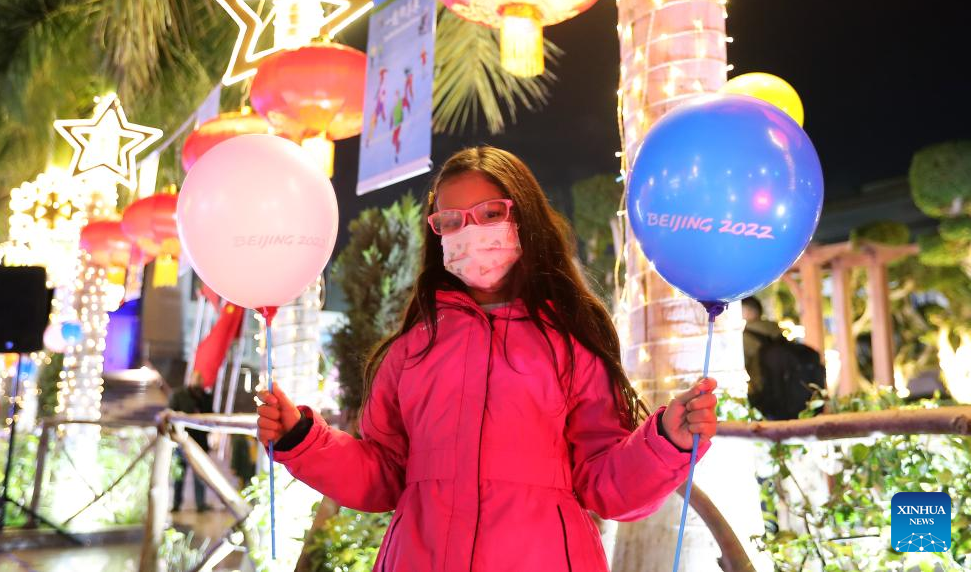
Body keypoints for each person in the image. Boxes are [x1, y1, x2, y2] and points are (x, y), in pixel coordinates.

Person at [257, 146, 718, 572]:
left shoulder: (571, 342)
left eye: (491, 213)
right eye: (452, 220)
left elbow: (606, 483)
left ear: (524, 217)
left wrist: (666, 442)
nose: (471, 232)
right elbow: (383, 475)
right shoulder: (411, 349)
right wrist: (303, 439)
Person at [742, 296, 825, 421]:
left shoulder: (746, 338)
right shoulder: (776, 330)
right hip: (793, 402)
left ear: (750, 312)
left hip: (766, 402)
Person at [169, 370, 212, 512]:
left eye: (200, 379)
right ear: (190, 379)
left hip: (200, 443)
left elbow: (210, 415)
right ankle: (176, 503)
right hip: (181, 442)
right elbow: (171, 414)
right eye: (196, 379)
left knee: (200, 476)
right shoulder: (178, 395)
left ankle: (200, 504)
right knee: (179, 475)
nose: (198, 382)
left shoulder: (205, 397)